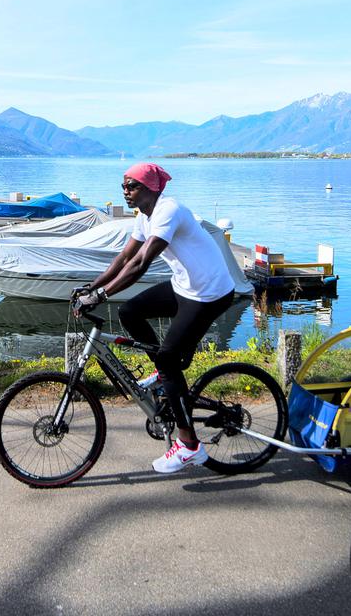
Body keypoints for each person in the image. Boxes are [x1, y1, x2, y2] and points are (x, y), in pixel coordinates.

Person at [73, 163, 235, 474]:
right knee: (129, 312)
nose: (125, 191)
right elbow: (124, 257)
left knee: (169, 359)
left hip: (209, 293)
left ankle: (189, 446)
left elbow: (140, 264)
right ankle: (164, 375)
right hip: (184, 287)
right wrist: (92, 286)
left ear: (151, 188)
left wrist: (101, 296)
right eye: (124, 185)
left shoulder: (168, 210)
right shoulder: (144, 217)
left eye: (131, 186)